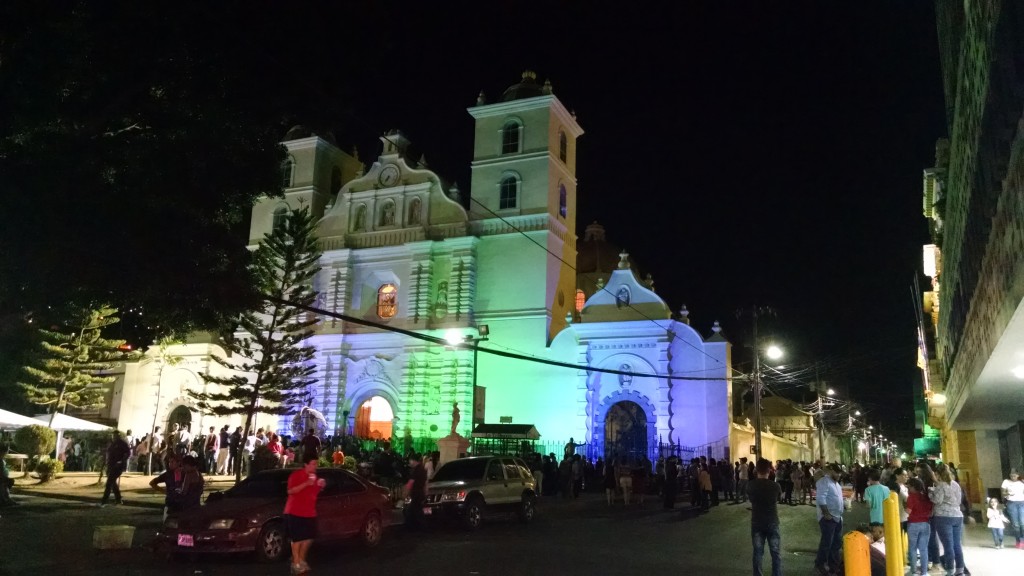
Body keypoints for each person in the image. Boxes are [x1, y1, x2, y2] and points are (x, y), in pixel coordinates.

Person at [285, 453, 326, 575]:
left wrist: (321, 485)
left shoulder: (315, 477)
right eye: (313, 464)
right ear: (306, 465)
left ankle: (301, 559)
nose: (315, 466)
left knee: (309, 537)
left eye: (316, 464)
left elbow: (315, 492)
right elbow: (290, 491)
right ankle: (296, 563)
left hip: (309, 512)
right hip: (295, 511)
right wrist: (306, 484)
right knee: (297, 538)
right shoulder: (296, 475)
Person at [929, 462, 965, 576]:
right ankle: (960, 569)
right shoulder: (955, 484)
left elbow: (937, 500)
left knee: (948, 545)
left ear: (938, 474)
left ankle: (950, 570)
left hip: (944, 517)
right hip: (957, 516)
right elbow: (959, 500)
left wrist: (930, 493)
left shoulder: (941, 485)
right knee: (957, 544)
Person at [748, 458, 782, 576]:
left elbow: (751, 499)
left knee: (758, 553)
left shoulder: (750, 485)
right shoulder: (776, 486)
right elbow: (778, 499)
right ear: (769, 471)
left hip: (757, 522)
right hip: (772, 521)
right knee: (775, 552)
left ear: (756, 470)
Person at [814, 464, 844, 576]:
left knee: (836, 543)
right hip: (828, 518)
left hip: (837, 517)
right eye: (837, 472)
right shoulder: (825, 481)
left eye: (840, 473)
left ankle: (834, 566)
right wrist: (826, 513)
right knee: (827, 543)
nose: (839, 475)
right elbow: (821, 498)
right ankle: (820, 564)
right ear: (831, 471)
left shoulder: (837, 485)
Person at [905, 477, 932, 576]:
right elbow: (931, 511)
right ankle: (924, 572)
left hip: (913, 524)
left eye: (909, 486)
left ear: (913, 487)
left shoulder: (911, 497)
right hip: (925, 524)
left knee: (912, 548)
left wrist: (904, 506)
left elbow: (908, 511)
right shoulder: (926, 497)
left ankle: (914, 571)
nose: (908, 488)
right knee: (923, 549)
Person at [100, 431, 131, 507]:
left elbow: (128, 453)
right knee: (113, 483)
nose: (113, 437)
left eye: (115, 435)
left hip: (118, 466)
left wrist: (121, 461)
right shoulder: (112, 443)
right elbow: (109, 453)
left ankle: (104, 501)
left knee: (109, 483)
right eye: (113, 435)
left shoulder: (122, 443)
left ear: (118, 435)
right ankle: (118, 499)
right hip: (110, 465)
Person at [149, 453, 183, 521]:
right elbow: (152, 483)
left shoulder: (184, 473)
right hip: (170, 502)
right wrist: (164, 491)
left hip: (182, 503)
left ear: (178, 463)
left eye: (172, 462)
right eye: (169, 462)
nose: (170, 464)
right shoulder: (167, 474)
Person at [404, 452, 428, 530]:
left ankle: (413, 526)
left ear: (414, 460)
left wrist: (406, 492)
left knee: (412, 510)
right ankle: (419, 526)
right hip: (420, 492)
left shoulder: (416, 470)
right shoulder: (423, 469)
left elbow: (411, 482)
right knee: (417, 510)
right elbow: (425, 483)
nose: (409, 462)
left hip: (416, 492)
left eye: (410, 460)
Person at [1001, 469, 1024, 549]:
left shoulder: (1021, 482)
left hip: (1022, 503)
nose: (1013, 477)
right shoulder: (1006, 482)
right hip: (1011, 503)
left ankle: (1022, 540)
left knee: (1022, 523)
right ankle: (1018, 541)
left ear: (1018, 475)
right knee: (1016, 524)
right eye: (1011, 475)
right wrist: (1008, 493)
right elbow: (1003, 493)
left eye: (1014, 475)